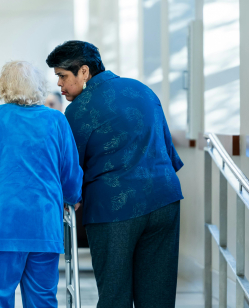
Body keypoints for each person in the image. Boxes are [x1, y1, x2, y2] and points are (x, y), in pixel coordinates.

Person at [46, 41, 184, 308]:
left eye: (63, 76)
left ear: (84, 72)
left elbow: (71, 169)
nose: (60, 86)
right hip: (165, 201)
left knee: (114, 296)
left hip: (114, 210)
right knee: (158, 296)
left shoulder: (78, 109)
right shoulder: (143, 91)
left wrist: (67, 200)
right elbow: (168, 151)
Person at [0, 60, 83, 308]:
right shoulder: (56, 120)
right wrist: (72, 197)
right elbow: (70, 172)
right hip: (43, 227)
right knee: (42, 300)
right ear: (39, 86)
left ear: (4, 86)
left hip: (1, 226)